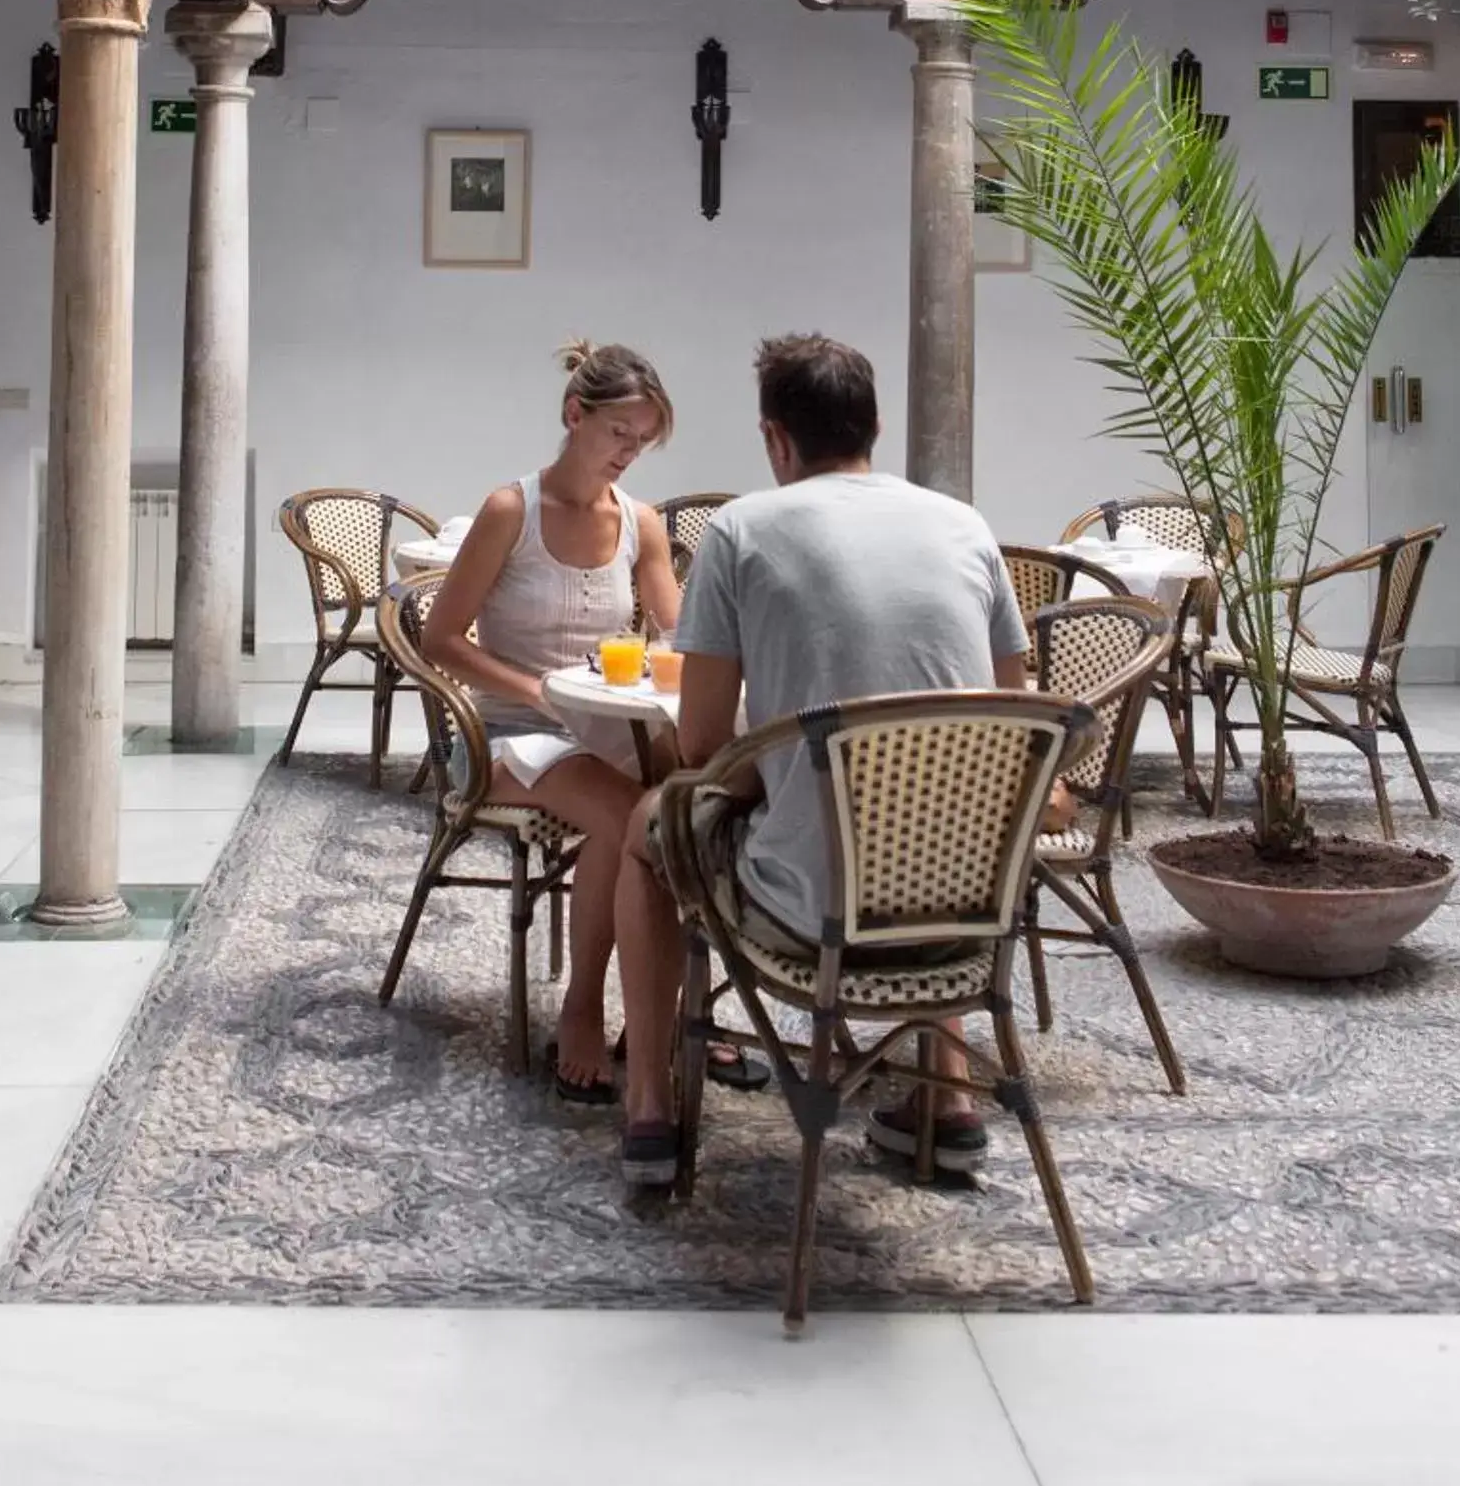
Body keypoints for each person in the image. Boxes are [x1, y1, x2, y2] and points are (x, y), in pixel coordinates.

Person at [614, 332, 1032, 1190]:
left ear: (775, 439)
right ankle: (948, 1099)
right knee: (932, 801)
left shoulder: (740, 529)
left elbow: (699, 748)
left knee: (647, 825)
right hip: (964, 912)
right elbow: (1014, 719)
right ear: (874, 424)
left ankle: (649, 1104)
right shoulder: (965, 524)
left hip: (813, 918)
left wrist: (773, 761)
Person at [423, 341, 682, 1101]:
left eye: (643, 442)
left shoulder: (641, 524)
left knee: (690, 801)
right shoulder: (514, 511)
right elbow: (439, 640)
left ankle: (658, 1012)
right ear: (576, 415)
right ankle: (580, 1010)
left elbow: (674, 635)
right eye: (619, 436)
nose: (630, 454)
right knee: (625, 816)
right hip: (503, 733)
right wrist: (535, 691)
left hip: (601, 732)